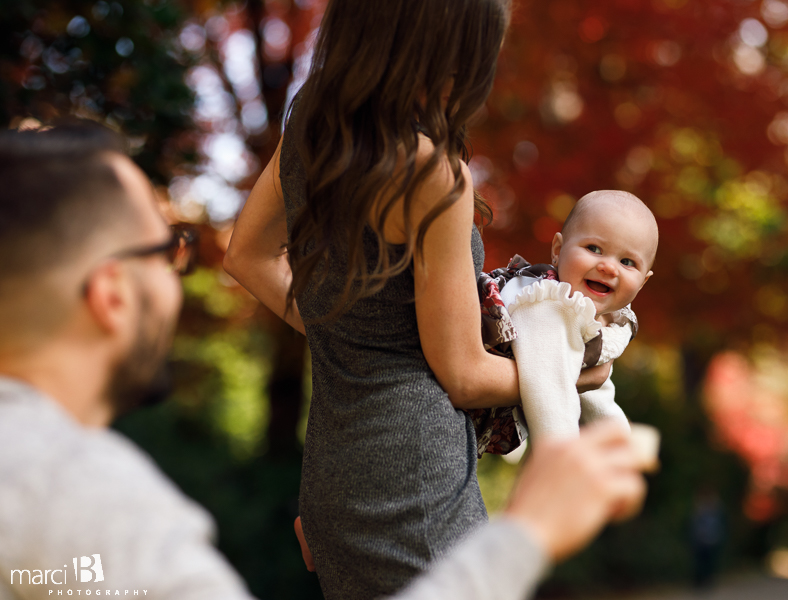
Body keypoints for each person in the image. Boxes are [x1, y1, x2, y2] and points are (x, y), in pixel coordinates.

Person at [0, 125, 646, 600]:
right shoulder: (89, 506)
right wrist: (528, 533)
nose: (179, 273)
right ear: (111, 296)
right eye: (170, 249)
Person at [223, 0, 619, 598]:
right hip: (418, 488)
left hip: (333, 474)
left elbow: (246, 257)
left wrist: (351, 338)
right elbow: (463, 375)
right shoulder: (433, 175)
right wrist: (574, 376)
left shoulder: (313, 116)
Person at [471, 190, 657, 453]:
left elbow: (596, 392)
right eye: (594, 248)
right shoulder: (546, 304)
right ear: (558, 250)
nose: (609, 267)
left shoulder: (582, 312)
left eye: (627, 262)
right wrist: (564, 466)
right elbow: (551, 397)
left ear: (643, 282)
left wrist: (621, 447)